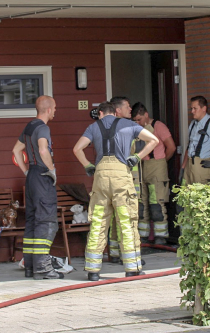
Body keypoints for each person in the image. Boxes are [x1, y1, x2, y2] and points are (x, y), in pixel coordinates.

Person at [72, 101, 159, 281]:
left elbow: (77, 149)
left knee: (98, 222)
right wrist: (136, 157)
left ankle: (93, 271)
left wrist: (88, 165)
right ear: (115, 112)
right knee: (126, 222)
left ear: (101, 113)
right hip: (121, 175)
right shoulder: (129, 125)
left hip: (101, 176)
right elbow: (154, 141)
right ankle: (132, 268)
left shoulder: (93, 126)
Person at [12, 95, 63, 280]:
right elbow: (43, 150)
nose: (55, 111)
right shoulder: (43, 128)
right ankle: (43, 268)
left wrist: (26, 171)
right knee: (47, 221)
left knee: (32, 222)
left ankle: (30, 266)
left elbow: (16, 150)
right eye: (55, 107)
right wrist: (52, 170)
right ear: (48, 109)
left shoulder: (29, 126)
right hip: (42, 176)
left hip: (31, 177)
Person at [131, 101, 176, 245]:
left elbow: (171, 147)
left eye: (139, 119)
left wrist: (161, 161)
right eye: (135, 121)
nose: (138, 123)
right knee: (142, 203)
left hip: (156, 166)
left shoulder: (158, 126)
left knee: (157, 202)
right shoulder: (136, 129)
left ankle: (161, 236)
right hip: (141, 167)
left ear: (146, 115)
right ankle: (143, 235)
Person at [107, 96, 139, 264]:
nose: (130, 109)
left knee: (114, 217)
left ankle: (114, 252)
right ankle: (127, 255)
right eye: (127, 106)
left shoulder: (105, 127)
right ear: (118, 110)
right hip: (124, 178)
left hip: (111, 178)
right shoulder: (126, 127)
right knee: (126, 217)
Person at [181, 96, 210, 185]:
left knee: (202, 197)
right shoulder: (193, 124)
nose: (192, 111)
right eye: (191, 108)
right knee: (186, 196)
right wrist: (183, 167)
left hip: (203, 166)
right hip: (189, 166)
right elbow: (189, 146)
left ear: (204, 108)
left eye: (195, 108)